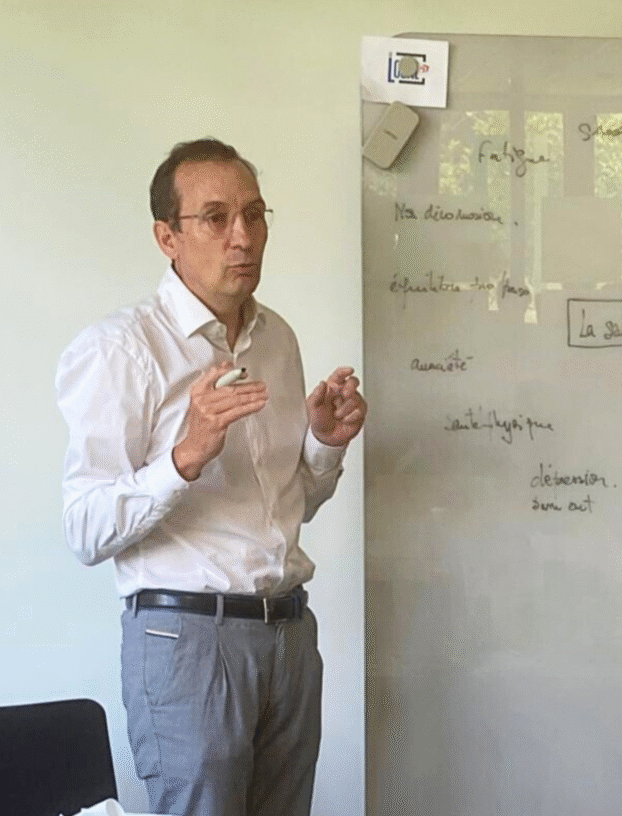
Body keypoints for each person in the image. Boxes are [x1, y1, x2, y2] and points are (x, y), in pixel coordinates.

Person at [55, 138, 366, 816]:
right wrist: (185, 456)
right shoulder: (121, 348)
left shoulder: (276, 338)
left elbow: (286, 508)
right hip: (188, 640)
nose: (243, 237)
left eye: (254, 214)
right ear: (166, 237)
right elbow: (84, 530)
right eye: (216, 217)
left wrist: (323, 442)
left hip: (289, 632)